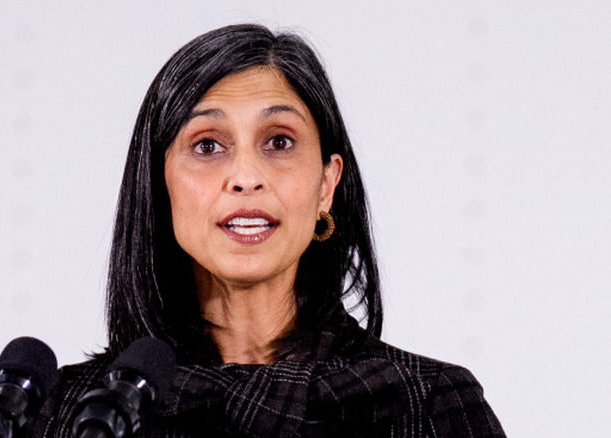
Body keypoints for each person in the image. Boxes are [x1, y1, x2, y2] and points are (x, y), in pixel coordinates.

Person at [32, 23, 505, 437]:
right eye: (208, 145)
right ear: (160, 187)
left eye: (278, 142)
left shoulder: (430, 405)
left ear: (326, 184)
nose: (246, 176)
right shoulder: (70, 415)